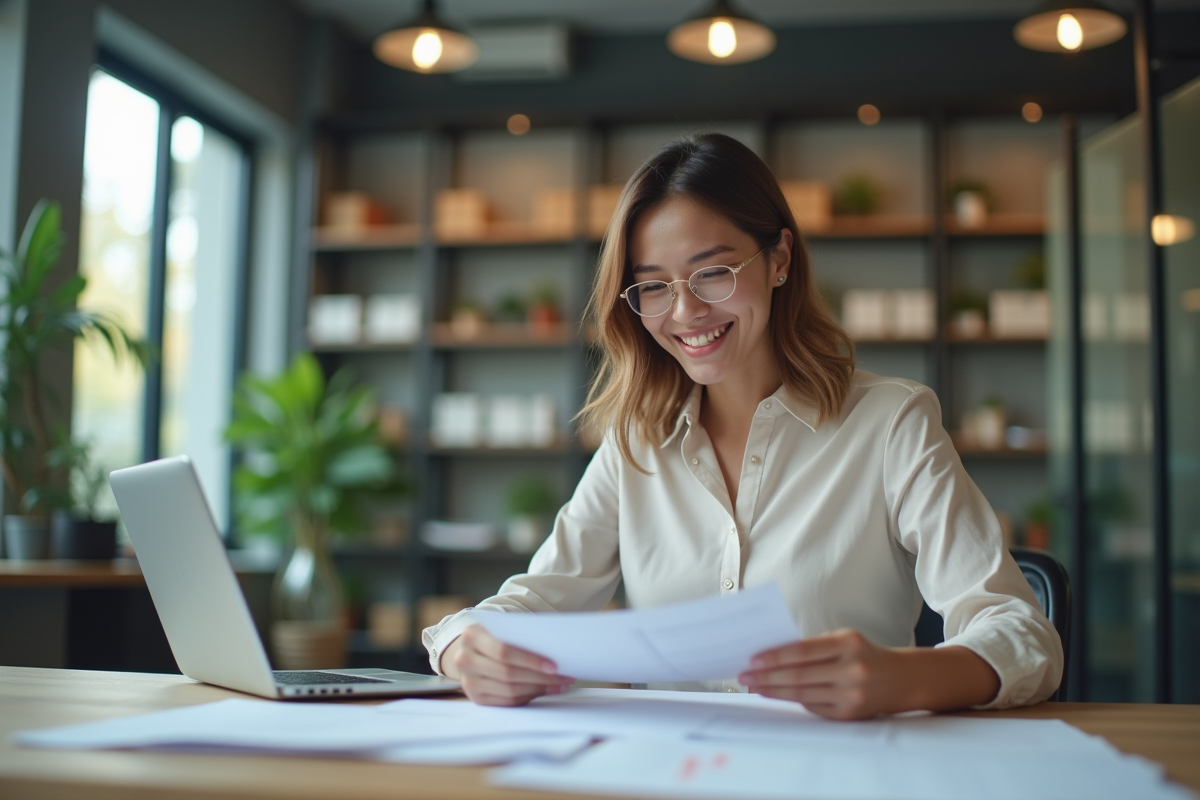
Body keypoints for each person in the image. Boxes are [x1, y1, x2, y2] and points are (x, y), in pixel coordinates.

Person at [422, 133, 1062, 718]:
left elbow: (1021, 631)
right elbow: (527, 606)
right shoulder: (634, 444)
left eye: (713, 272)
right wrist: (463, 650)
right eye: (653, 286)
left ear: (779, 256)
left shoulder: (892, 423)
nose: (686, 311)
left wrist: (904, 678)